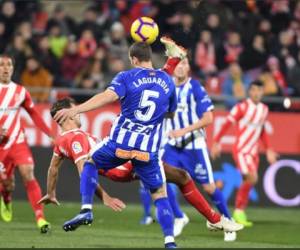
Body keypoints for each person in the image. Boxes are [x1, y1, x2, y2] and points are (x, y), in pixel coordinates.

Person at [53, 40, 242, 248]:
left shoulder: (126, 76)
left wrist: (76, 109)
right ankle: (170, 241)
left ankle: (86, 209)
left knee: (89, 162)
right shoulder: (168, 82)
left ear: (133, 59)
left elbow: (107, 96)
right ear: (150, 57)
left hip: (119, 145)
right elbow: (170, 110)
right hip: (146, 151)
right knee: (160, 194)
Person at [161, 57, 236, 242]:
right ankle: (179, 216)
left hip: (193, 146)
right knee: (162, 180)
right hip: (172, 146)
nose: (180, 67)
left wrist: (183, 131)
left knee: (209, 187)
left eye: (185, 64)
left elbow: (209, 118)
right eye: (178, 63)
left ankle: (228, 221)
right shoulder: (167, 86)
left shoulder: (194, 87)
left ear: (189, 68)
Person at [38, 98, 126, 212]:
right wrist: (105, 198)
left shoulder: (61, 141)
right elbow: (85, 173)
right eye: (75, 110)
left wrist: (50, 193)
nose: (79, 113)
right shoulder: (76, 138)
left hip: (121, 162)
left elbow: (53, 168)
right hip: (123, 166)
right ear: (69, 115)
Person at [211, 80, 278, 227]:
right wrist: (216, 142)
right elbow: (227, 123)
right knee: (252, 177)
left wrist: (268, 150)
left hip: (253, 152)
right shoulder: (241, 107)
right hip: (241, 150)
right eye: (253, 90)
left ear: (262, 92)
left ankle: (233, 210)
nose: (256, 93)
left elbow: (262, 131)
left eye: (259, 90)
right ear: (249, 91)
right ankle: (238, 211)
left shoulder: (264, 109)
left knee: (249, 180)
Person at [0, 55, 53, 233]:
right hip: (1, 147)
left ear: (13, 69)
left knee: (27, 172)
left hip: (17, 141)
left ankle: (40, 218)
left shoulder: (20, 91)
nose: (5, 68)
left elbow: (34, 114)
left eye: (8, 65)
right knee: (7, 184)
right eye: (1, 65)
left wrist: (50, 134)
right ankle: (6, 199)